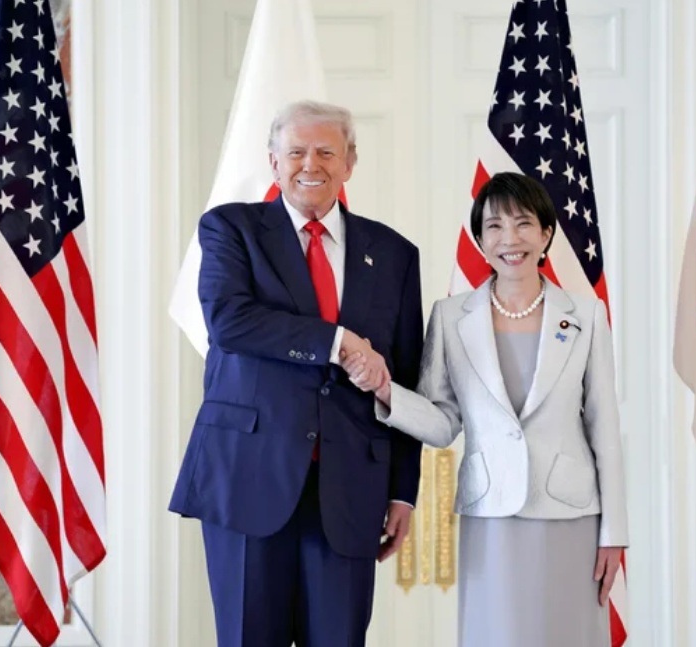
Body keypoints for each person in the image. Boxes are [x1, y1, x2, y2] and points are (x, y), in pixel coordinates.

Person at [169, 100, 424, 647]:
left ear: (350, 162)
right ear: (273, 162)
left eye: (326, 152)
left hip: (351, 487)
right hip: (247, 477)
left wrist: (404, 490)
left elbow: (405, 376)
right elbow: (229, 321)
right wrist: (338, 341)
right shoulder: (230, 229)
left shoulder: (395, 254)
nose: (311, 164)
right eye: (296, 152)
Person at [344, 172, 627, 647]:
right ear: (479, 239)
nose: (509, 239)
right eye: (494, 226)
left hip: (572, 515)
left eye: (523, 224)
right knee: (495, 634)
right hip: (490, 513)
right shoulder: (451, 316)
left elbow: (605, 428)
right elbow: (442, 422)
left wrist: (614, 531)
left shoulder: (586, 315)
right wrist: (387, 391)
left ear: (546, 234)